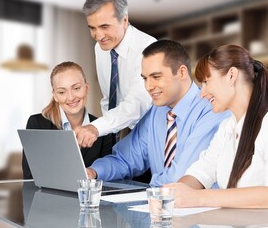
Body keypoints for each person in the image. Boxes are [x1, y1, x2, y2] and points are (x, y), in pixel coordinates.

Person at [165, 44, 268, 219]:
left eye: (206, 82)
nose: (202, 93)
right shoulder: (227, 128)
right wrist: (174, 194)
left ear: (231, 76)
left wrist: (197, 198)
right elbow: (200, 174)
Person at [86, 40, 230, 186]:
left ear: (181, 72)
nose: (148, 86)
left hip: (199, 207)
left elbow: (181, 177)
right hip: (162, 204)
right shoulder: (156, 112)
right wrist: (94, 172)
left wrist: (147, 188)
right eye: (145, 78)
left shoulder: (213, 110)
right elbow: (125, 159)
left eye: (156, 77)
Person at [76, 0, 156, 148]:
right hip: (117, 132)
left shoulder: (148, 48)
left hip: (148, 135)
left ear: (124, 20)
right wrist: (107, 137)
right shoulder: (100, 48)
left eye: (105, 26)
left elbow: (138, 103)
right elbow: (108, 98)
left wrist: (97, 127)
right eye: (92, 28)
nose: (99, 36)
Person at [22, 61, 114, 179]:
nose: (71, 97)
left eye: (76, 88)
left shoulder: (102, 128)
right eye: (62, 92)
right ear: (55, 95)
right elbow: (30, 177)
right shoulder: (37, 124)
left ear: (86, 88)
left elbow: (106, 178)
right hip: (48, 197)